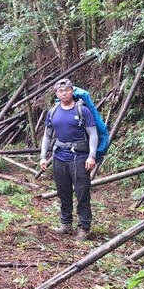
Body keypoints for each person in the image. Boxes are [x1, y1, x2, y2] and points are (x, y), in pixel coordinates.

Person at [39, 78, 98, 241]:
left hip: (79, 157)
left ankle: (84, 227)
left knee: (82, 192)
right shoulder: (53, 111)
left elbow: (93, 134)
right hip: (59, 157)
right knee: (63, 191)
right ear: (56, 94)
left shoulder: (82, 110)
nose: (64, 93)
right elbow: (47, 135)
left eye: (67, 90)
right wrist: (43, 156)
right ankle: (66, 224)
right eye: (60, 91)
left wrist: (91, 156)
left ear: (72, 91)